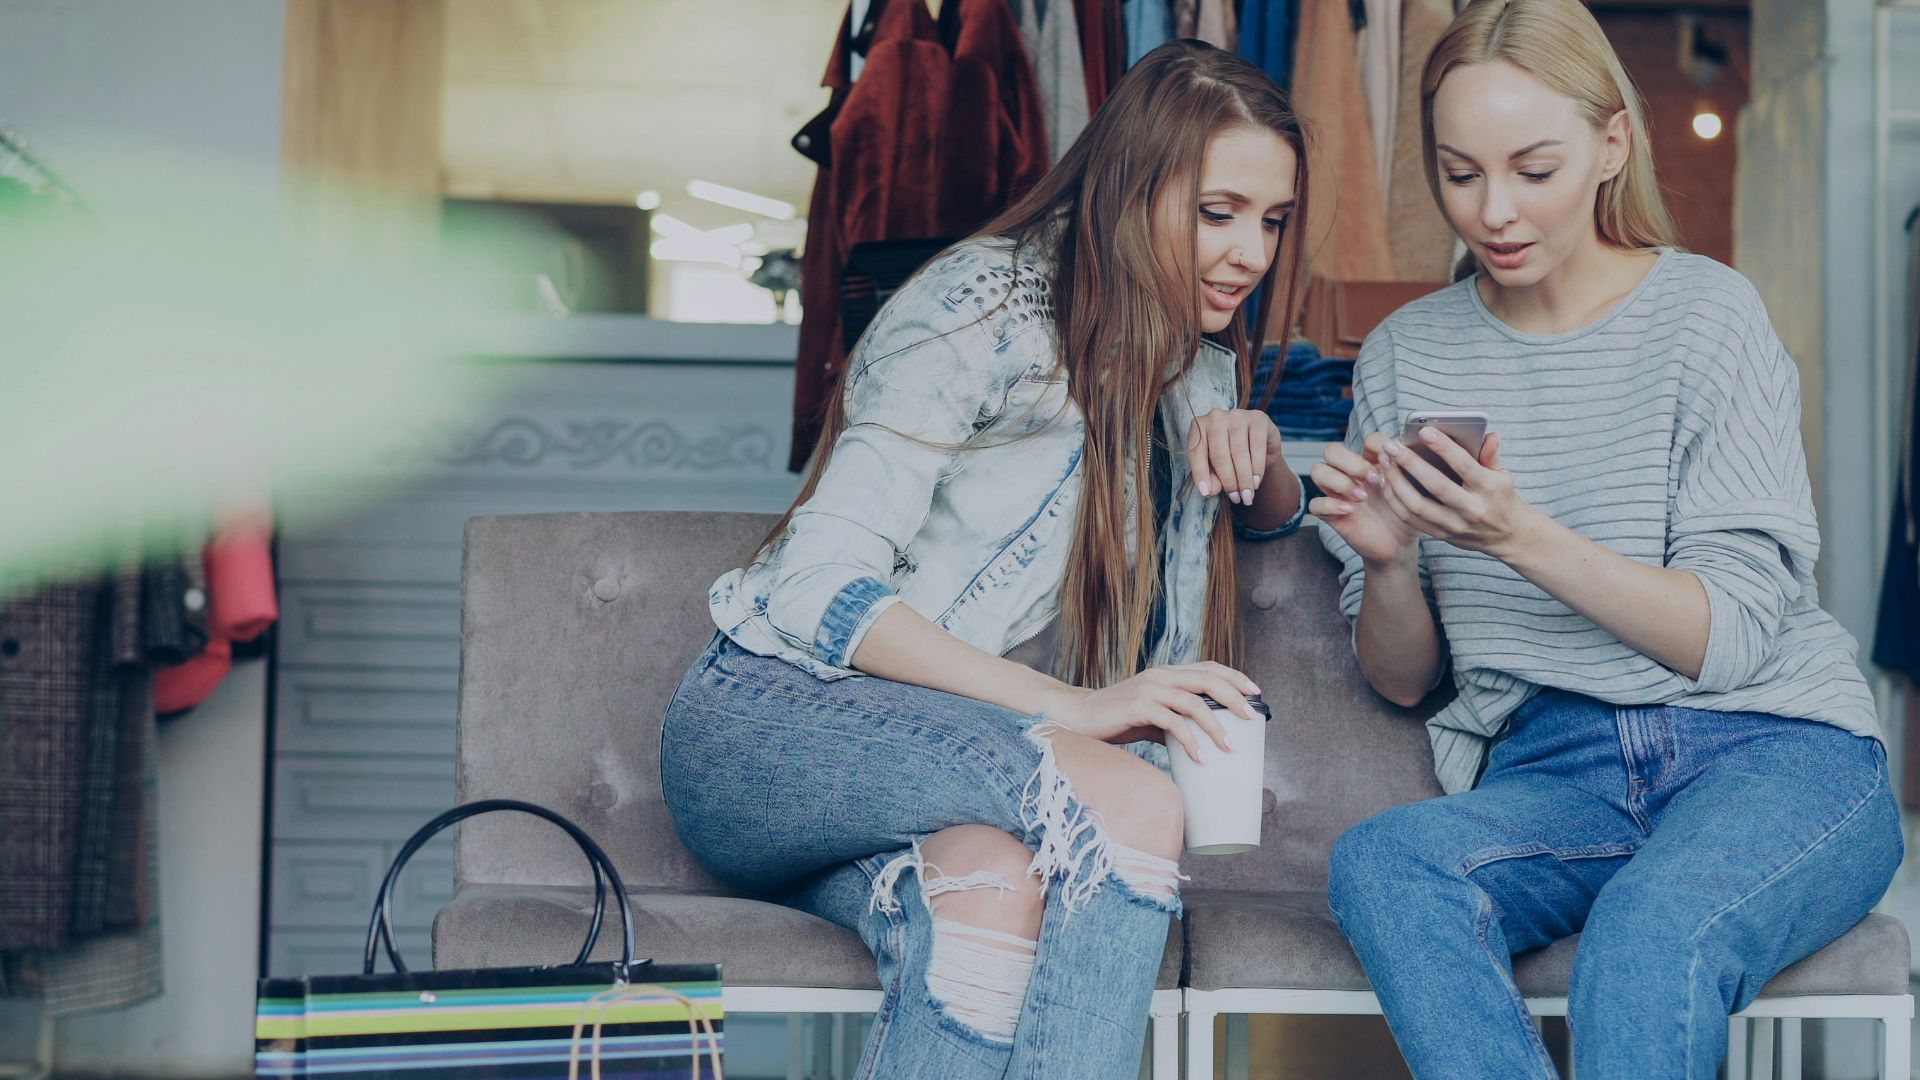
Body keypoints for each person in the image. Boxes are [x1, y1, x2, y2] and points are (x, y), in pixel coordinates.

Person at [661, 40, 1310, 1079]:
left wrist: (1261, 453)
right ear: (1128, 187)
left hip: (934, 784)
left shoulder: (1201, 370)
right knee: (1136, 804)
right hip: (769, 722)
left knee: (991, 893)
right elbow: (819, 585)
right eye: (1217, 211)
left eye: (1271, 221)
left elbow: (1274, 525)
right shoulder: (979, 309)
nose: (1249, 253)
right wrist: (1076, 711)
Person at [1311, 2, 1902, 1077]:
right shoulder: (1405, 354)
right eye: (1459, 172)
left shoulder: (1709, 317)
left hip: (1775, 749)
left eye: (1533, 168)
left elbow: (1723, 641)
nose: (1493, 211)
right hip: (1557, 767)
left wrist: (1518, 534)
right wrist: (1391, 558)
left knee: (1651, 929)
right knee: (1385, 865)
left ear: (1610, 144)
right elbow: (1401, 685)